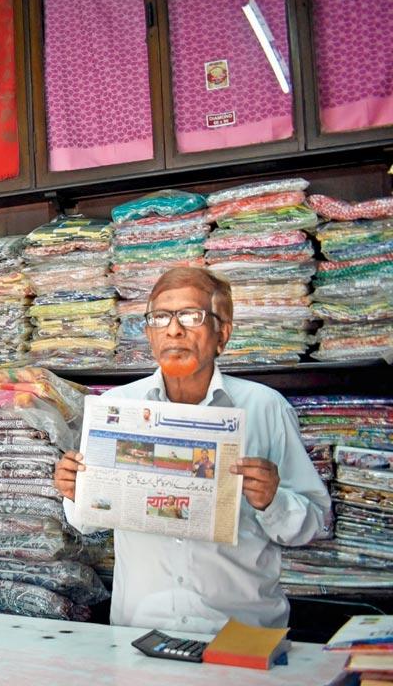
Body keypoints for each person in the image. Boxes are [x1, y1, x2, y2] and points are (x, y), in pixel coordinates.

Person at [53, 267, 329, 633]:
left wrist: (272, 501)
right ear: (149, 334)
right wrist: (75, 491)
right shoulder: (117, 408)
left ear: (222, 334)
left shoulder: (264, 408)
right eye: (161, 317)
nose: (174, 329)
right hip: (141, 635)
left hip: (241, 634)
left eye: (190, 316)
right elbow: (87, 523)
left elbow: (313, 524)